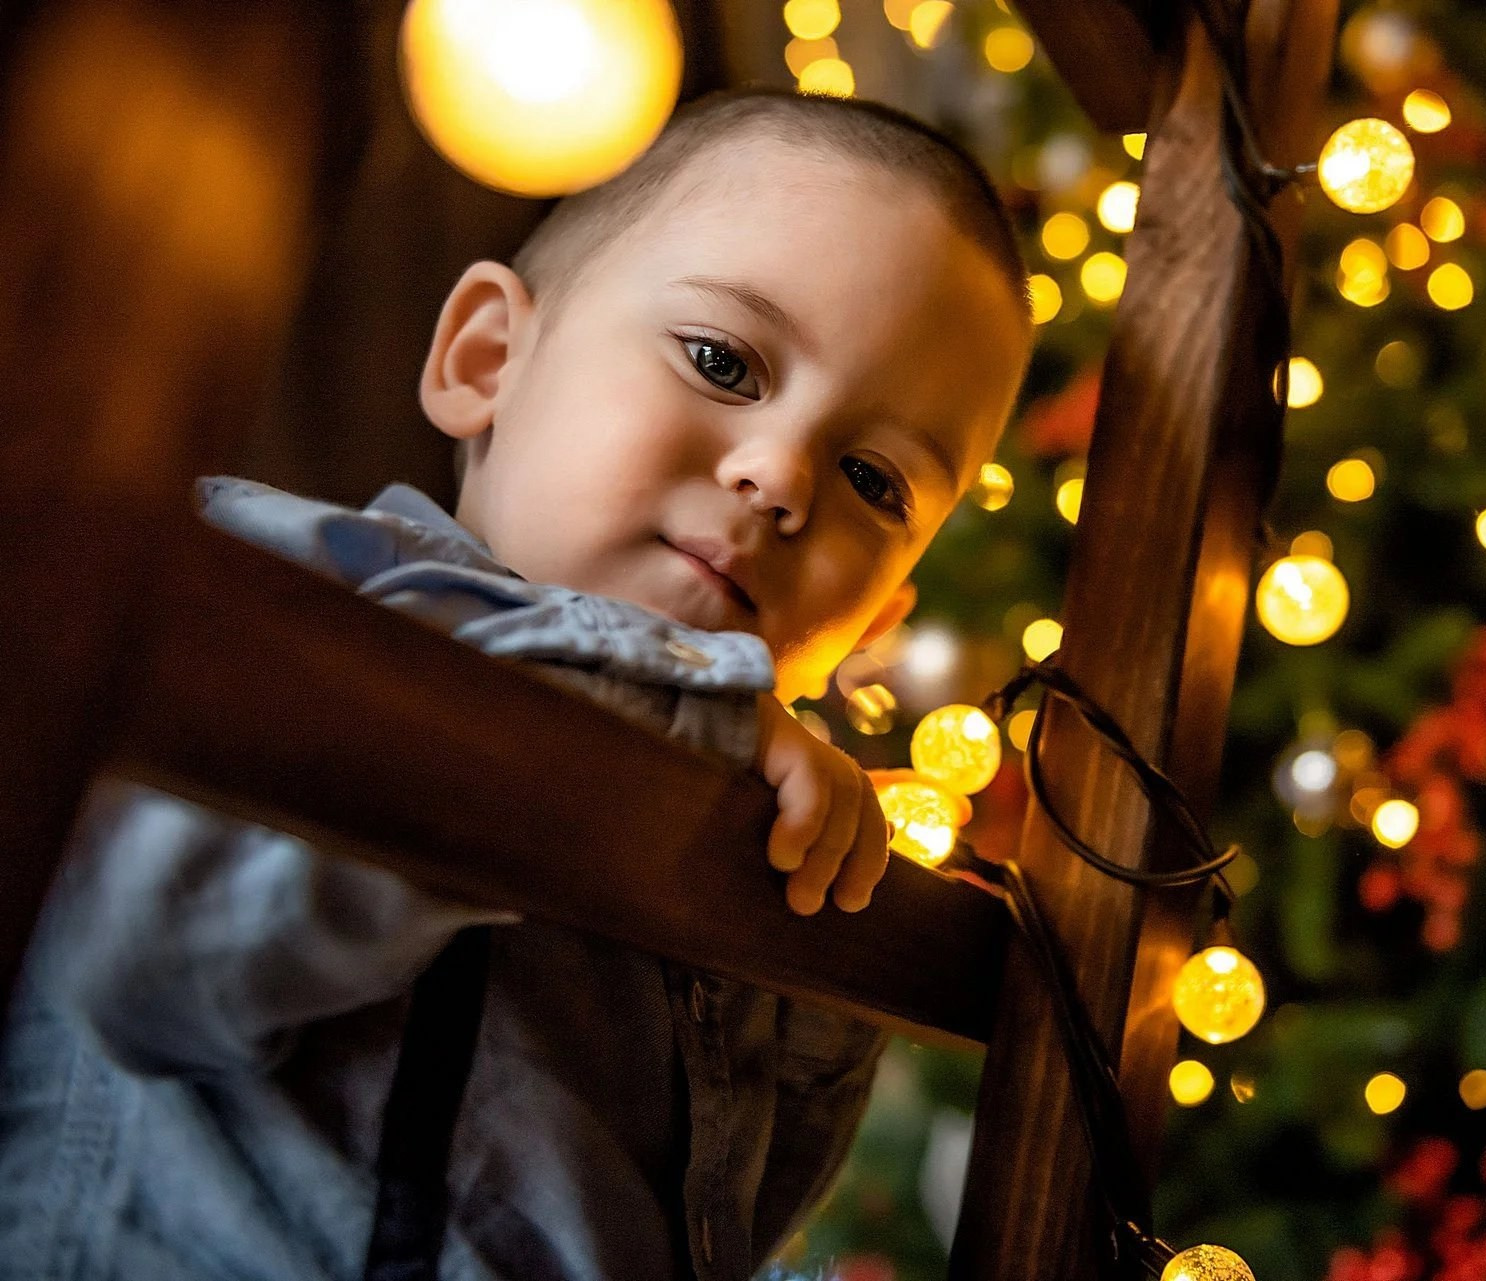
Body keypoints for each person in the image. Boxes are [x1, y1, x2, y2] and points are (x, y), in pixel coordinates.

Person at [0, 88, 1033, 1281]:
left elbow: (721, 1232)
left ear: (882, 617)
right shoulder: (289, 590)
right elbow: (144, 965)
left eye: (875, 478)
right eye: (722, 362)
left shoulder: (779, 819)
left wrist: (805, 904)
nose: (781, 476)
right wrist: (659, 700)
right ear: (487, 359)